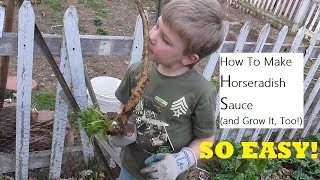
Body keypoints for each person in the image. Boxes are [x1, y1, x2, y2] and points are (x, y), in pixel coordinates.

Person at [110, 0, 224, 179]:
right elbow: (123, 107)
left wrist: (181, 161)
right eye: (157, 26)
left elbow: (206, 140)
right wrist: (122, 129)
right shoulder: (136, 72)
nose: (152, 36)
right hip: (130, 168)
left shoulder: (202, 92)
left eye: (165, 39)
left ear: (188, 58)